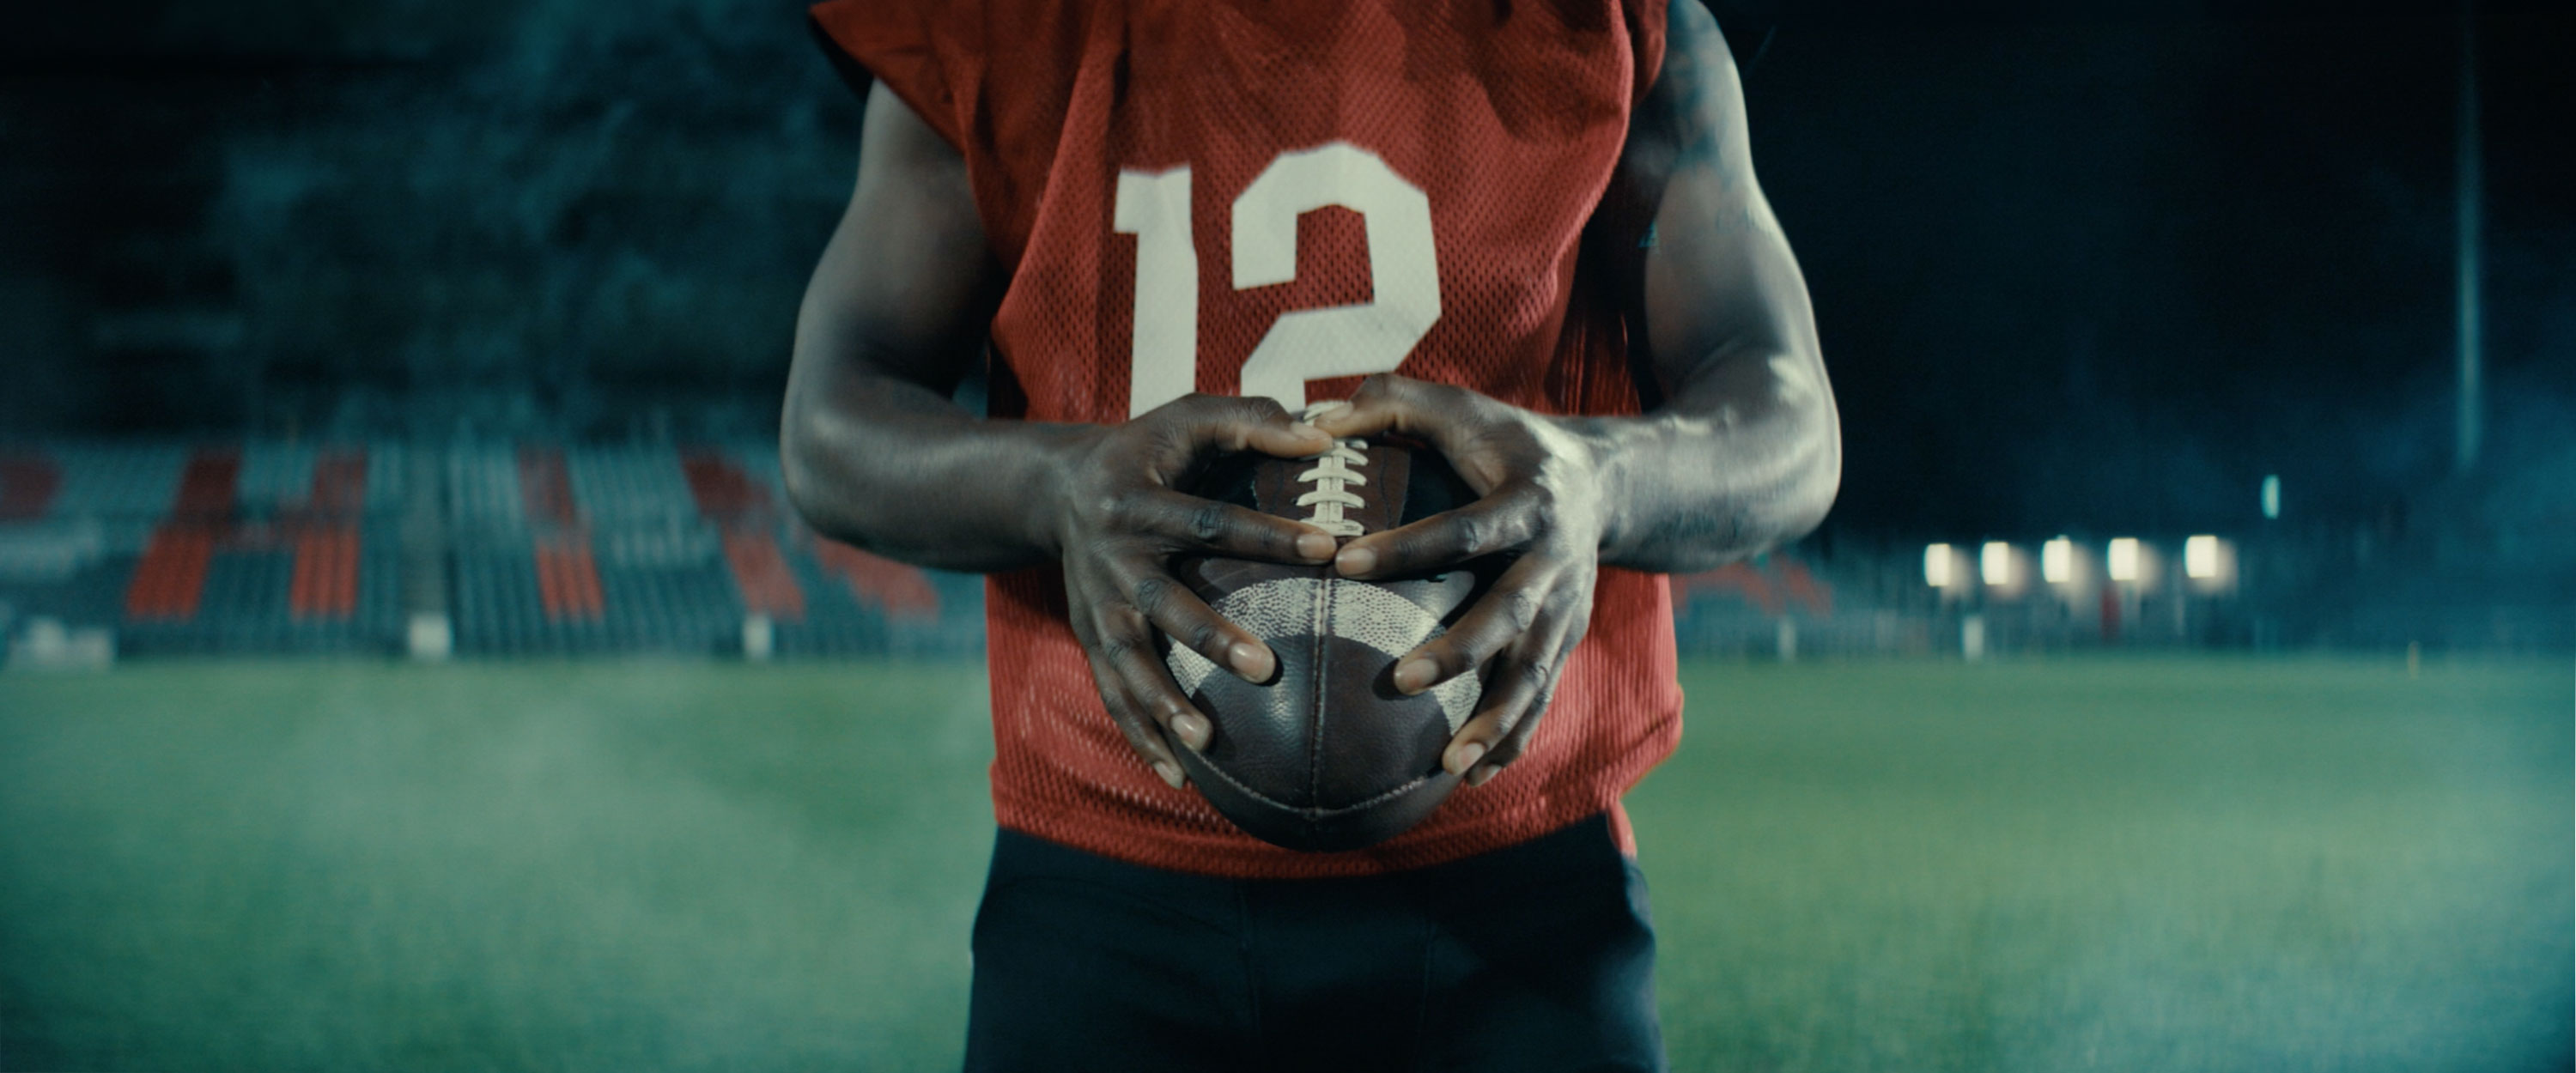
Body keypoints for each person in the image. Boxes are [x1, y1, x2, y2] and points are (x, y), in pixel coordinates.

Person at [782, 0, 1838, 1068]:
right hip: (1104, 877)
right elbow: (833, 419)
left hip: (1512, 885)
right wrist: (1052, 485)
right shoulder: (993, 23)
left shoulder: (1621, 27)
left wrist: (1601, 480)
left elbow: (1790, 422)